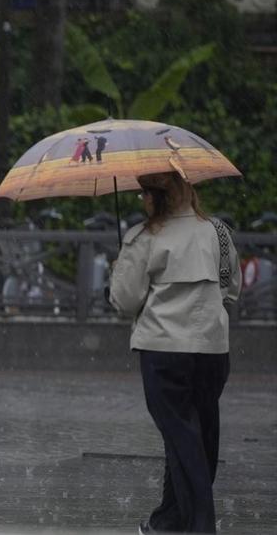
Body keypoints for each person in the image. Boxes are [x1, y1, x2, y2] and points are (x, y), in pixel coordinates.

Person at [109, 171, 242, 534]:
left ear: (157, 197)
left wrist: (118, 269)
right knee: (199, 434)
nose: (141, 201)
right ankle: (168, 521)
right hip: (212, 349)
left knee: (182, 437)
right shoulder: (218, 232)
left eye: (144, 195)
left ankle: (201, 526)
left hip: (163, 349)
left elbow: (125, 300)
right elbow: (231, 289)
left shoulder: (143, 236)